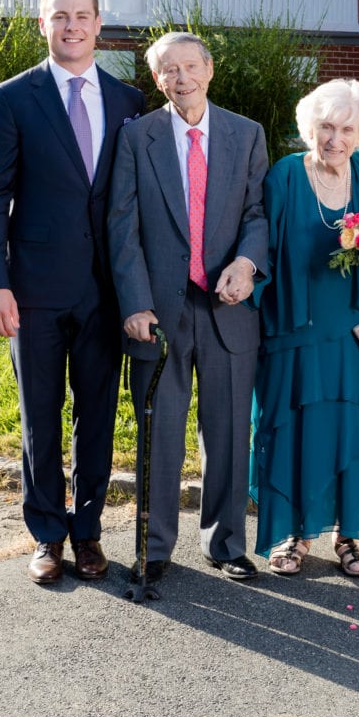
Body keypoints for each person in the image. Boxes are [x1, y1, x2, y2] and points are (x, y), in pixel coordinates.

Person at [0, 0, 146, 585]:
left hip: (105, 290)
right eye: (60, 16)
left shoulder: (129, 102)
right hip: (34, 289)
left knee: (97, 414)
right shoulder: (13, 98)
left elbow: (135, 203)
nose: (72, 26)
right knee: (39, 415)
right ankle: (47, 533)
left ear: (100, 24)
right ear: (42, 24)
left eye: (82, 15)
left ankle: (89, 530)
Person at [107, 31, 269, 583]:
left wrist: (247, 266)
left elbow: (256, 214)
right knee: (161, 429)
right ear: (157, 80)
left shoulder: (246, 135)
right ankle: (154, 547)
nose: (181, 78)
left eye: (190, 67)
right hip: (158, 312)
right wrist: (134, 303)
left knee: (227, 430)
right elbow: (122, 227)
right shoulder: (137, 139)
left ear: (209, 69)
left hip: (227, 308)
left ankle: (226, 544)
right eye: (168, 70)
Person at [250, 79, 359, 576]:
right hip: (293, 325)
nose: (335, 138)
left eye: (346, 128)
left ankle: (350, 535)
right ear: (309, 128)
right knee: (293, 428)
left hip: (355, 329)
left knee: (352, 428)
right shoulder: (285, 175)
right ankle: (293, 535)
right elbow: (262, 246)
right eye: (325, 127)